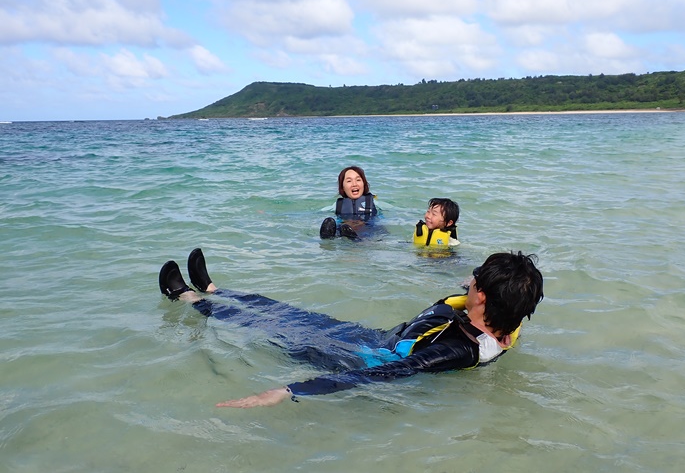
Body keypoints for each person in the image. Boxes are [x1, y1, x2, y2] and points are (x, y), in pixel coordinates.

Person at [158, 248, 544, 408]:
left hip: (357, 356)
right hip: (374, 337)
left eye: (476, 279)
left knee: (266, 327)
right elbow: (485, 302)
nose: (470, 280)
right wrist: (476, 280)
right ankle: (215, 289)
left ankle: (188, 300)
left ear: (484, 301)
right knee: (286, 311)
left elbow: (389, 372)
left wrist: (291, 390)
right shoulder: (502, 318)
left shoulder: (460, 349)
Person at [319, 165, 378, 240]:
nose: (354, 184)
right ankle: (328, 237)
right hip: (344, 227)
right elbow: (320, 213)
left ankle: (355, 239)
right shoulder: (337, 205)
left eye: (358, 180)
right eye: (349, 181)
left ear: (364, 183)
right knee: (335, 224)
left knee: (370, 231)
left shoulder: (374, 203)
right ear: (343, 187)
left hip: (367, 228)